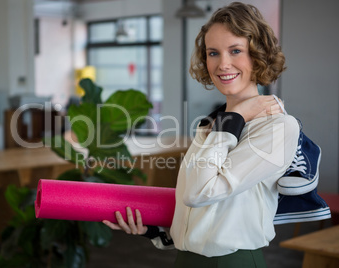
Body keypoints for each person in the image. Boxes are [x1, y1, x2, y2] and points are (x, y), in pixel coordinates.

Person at [103, 2, 300, 267]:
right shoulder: (211, 126)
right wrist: (152, 228)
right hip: (186, 259)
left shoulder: (277, 127)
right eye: (213, 53)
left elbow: (199, 193)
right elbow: (198, 206)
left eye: (236, 50)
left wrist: (234, 119)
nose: (223, 64)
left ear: (258, 55)